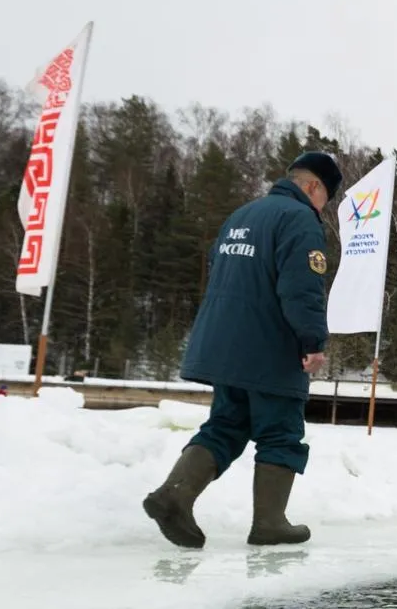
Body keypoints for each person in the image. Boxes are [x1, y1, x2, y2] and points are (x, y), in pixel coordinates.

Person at [142, 152, 340, 549]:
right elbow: (302, 288)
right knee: (281, 431)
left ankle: (174, 495)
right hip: (270, 345)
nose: (323, 208)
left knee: (227, 425)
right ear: (314, 186)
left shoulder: (242, 216)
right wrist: (313, 342)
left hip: (224, 344)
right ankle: (270, 523)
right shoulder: (298, 219)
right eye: (325, 199)